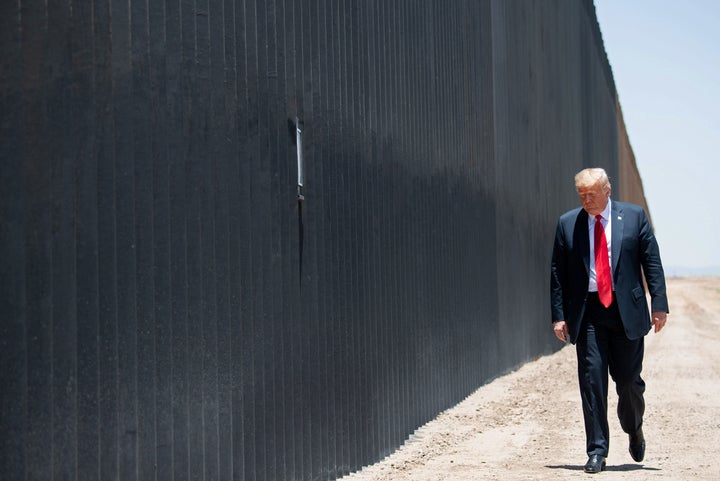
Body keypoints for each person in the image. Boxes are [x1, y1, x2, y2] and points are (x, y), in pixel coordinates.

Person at [550, 167, 668, 473]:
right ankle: (597, 450)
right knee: (592, 381)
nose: (587, 200)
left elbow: (651, 262)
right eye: (582, 195)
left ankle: (634, 426)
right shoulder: (567, 224)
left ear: (607, 191)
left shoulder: (633, 217)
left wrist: (659, 305)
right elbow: (557, 274)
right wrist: (559, 317)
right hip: (588, 313)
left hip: (625, 310)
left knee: (628, 382)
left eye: (592, 194)